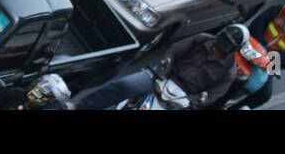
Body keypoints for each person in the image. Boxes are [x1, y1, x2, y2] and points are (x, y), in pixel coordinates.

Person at [76, 25, 246, 110]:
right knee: (125, 85)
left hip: (183, 98)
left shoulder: (229, 72)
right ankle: (81, 106)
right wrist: (163, 70)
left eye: (228, 43)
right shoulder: (201, 39)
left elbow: (212, 95)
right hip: (162, 76)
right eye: (224, 38)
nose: (222, 44)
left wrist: (190, 102)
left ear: (234, 49)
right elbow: (174, 51)